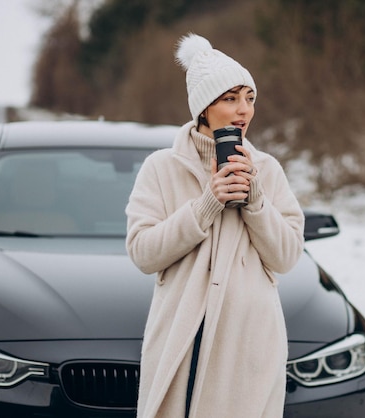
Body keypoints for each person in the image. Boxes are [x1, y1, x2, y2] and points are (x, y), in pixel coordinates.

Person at [125, 33, 304, 418]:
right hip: (180, 340)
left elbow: (288, 256)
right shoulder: (161, 168)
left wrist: (255, 198)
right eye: (230, 98)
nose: (243, 110)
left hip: (249, 344)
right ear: (203, 108)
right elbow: (142, 252)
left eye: (249, 98)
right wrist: (207, 204)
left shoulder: (268, 170)